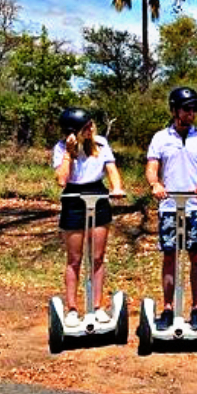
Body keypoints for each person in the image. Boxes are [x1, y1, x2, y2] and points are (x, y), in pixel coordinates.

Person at [146, 87, 197, 331]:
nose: (192, 113)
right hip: (169, 207)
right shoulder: (160, 138)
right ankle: (168, 308)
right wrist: (155, 183)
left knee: (196, 256)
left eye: (194, 109)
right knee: (170, 256)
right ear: (174, 110)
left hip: (196, 207)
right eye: (187, 109)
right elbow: (151, 167)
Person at [52, 107, 125, 327]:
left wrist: (118, 187)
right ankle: (73, 309)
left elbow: (111, 169)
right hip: (74, 197)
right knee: (74, 258)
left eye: (91, 125)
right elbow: (62, 180)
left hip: (98, 194)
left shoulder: (101, 142)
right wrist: (70, 153)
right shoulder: (60, 147)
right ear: (74, 130)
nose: (91, 129)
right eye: (86, 127)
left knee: (97, 256)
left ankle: (97, 306)